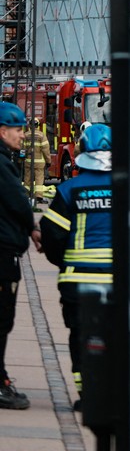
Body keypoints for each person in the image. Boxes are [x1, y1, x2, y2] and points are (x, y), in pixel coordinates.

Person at [38, 123, 111, 397]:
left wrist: (63, 262)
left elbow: (52, 234)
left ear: (82, 150)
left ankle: (87, 393)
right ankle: (111, 392)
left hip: (77, 280)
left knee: (81, 335)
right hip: (119, 280)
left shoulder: (69, 190)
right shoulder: (126, 189)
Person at [0, 102, 34, 409]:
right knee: (1, 318)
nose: (22, 135)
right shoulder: (1, 163)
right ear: (2, 131)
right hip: (2, 254)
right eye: (18, 129)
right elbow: (19, 202)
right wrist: (33, 228)